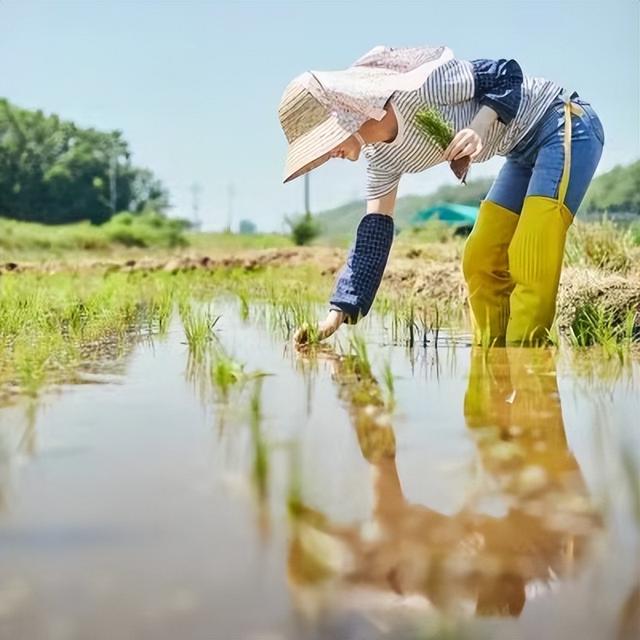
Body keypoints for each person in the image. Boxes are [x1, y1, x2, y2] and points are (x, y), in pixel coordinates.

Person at [277, 46, 604, 345]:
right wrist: (334, 317)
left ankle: (528, 360)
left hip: (561, 123)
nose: (326, 155)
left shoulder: (422, 89)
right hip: (520, 153)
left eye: (324, 142)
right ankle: (493, 363)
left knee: (530, 252)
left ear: (346, 111)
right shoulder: (380, 158)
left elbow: (506, 72)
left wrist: (478, 126)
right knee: (479, 258)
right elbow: (373, 237)